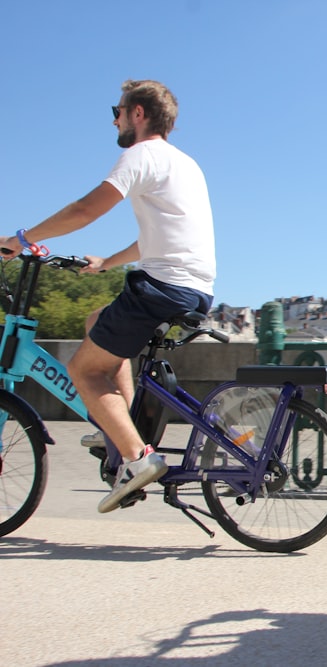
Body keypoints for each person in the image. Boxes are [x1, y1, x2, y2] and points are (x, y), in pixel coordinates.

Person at [0, 79, 216, 514]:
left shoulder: (140, 154)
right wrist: (107, 263)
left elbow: (85, 210)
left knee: (83, 370)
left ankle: (139, 460)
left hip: (161, 288)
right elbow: (156, 239)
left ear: (138, 113)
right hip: (195, 288)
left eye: (116, 111)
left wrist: (21, 239)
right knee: (97, 321)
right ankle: (120, 430)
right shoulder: (185, 164)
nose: (115, 119)